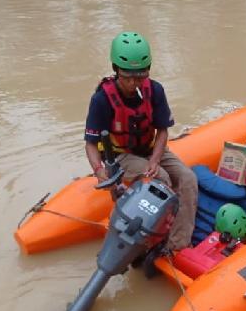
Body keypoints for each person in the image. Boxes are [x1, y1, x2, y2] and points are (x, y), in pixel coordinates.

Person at [84, 31, 197, 251]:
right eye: (128, 77)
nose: (134, 82)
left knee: (188, 178)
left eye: (140, 76)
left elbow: (162, 130)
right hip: (121, 155)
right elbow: (90, 142)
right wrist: (99, 169)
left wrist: (154, 159)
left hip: (149, 149)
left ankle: (178, 244)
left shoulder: (154, 90)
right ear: (116, 70)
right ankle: (152, 238)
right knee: (161, 180)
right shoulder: (102, 100)